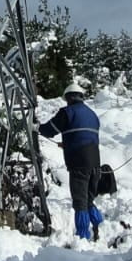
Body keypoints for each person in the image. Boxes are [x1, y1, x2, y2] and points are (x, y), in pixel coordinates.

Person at [38, 81, 102, 241]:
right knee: (88, 199)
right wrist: (68, 143)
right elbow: (84, 135)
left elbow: (49, 129)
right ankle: (100, 226)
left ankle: (82, 237)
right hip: (95, 162)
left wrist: (36, 128)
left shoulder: (67, 112)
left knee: (80, 200)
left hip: (78, 163)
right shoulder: (93, 115)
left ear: (68, 98)